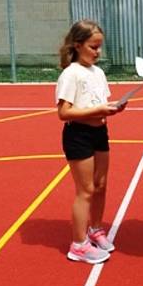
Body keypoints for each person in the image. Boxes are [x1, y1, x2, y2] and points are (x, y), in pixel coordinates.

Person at [56, 20, 127, 264]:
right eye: (93, 47)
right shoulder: (71, 74)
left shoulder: (98, 73)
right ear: (78, 45)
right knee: (85, 190)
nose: (97, 52)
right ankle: (78, 244)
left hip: (99, 133)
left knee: (101, 185)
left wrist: (112, 109)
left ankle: (95, 229)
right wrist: (98, 109)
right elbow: (64, 112)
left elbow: (97, 103)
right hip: (78, 135)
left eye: (99, 47)